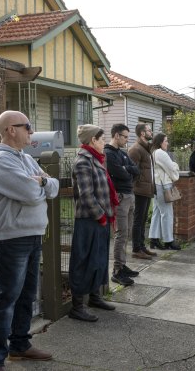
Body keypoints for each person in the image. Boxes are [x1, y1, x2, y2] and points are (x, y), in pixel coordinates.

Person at [0, 110, 59, 370]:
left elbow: (54, 186)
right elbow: (29, 192)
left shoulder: (25, 159)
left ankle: (20, 345)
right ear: (10, 130)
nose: (32, 131)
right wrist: (41, 185)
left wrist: (42, 183)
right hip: (12, 237)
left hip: (32, 233)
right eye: (27, 126)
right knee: (6, 298)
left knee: (26, 295)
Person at [69, 124, 119, 322]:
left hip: (100, 219)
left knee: (99, 259)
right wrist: (101, 215)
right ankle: (77, 306)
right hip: (89, 220)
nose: (104, 142)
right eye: (102, 139)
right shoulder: (83, 161)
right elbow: (86, 194)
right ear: (92, 141)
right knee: (83, 260)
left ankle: (95, 297)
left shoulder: (97, 159)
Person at [104, 124, 140, 286]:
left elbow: (135, 170)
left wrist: (128, 169)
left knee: (127, 233)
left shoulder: (122, 153)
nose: (127, 140)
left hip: (129, 195)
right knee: (121, 233)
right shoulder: (109, 153)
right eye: (125, 137)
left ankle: (122, 265)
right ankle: (117, 271)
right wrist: (128, 170)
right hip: (120, 197)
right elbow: (121, 174)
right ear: (116, 136)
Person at [128, 124, 157, 259]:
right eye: (149, 130)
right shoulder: (135, 149)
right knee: (138, 219)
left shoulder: (146, 149)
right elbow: (131, 171)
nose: (151, 132)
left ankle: (142, 246)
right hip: (139, 189)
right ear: (141, 133)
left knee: (143, 219)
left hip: (147, 188)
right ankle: (136, 249)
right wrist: (138, 185)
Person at [149, 133, 181, 250]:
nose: (167, 143)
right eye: (166, 141)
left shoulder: (154, 152)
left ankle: (154, 239)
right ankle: (168, 241)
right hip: (163, 185)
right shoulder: (161, 153)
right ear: (160, 142)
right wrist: (176, 166)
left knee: (157, 212)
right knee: (167, 213)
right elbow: (172, 169)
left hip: (157, 184)